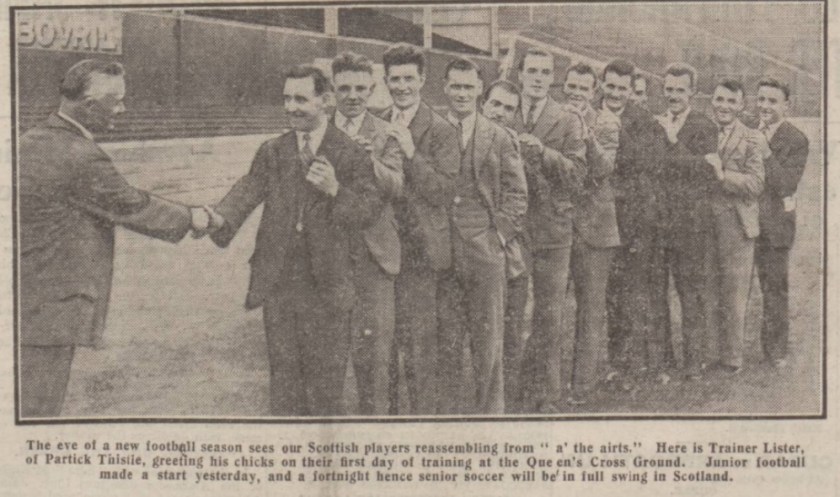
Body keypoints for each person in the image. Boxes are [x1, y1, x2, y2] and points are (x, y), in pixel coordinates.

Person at [19, 60, 207, 417]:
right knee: (38, 409)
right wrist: (195, 217)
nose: (122, 109)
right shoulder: (79, 155)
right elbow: (130, 204)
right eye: (116, 101)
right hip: (48, 309)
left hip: (23, 297)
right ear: (90, 105)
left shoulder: (30, 140)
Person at [206, 65, 382, 416]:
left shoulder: (350, 152)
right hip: (280, 286)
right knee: (284, 385)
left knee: (325, 389)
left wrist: (335, 189)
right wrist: (217, 218)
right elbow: (247, 190)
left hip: (328, 288)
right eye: (287, 98)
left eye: (300, 99)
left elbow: (368, 210)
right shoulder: (273, 150)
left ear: (325, 101)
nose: (290, 107)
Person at [437, 59, 527, 414]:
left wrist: (497, 238)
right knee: (445, 340)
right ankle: (447, 420)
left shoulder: (499, 136)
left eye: (468, 86)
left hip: (485, 252)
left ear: (479, 89)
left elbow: (517, 195)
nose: (461, 93)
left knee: (488, 343)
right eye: (455, 86)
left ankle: (491, 417)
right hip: (443, 251)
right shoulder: (433, 130)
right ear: (445, 87)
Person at [379, 43, 461, 414]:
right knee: (384, 343)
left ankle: (422, 420)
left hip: (420, 251)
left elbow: (444, 191)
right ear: (385, 81)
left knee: (419, 345)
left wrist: (411, 153)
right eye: (394, 79)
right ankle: (389, 419)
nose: (401, 86)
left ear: (423, 80)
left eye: (408, 79)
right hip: (382, 246)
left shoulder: (441, 129)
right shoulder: (377, 120)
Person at [512, 48, 587, 413]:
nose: (538, 78)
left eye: (545, 72)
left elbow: (578, 174)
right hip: (512, 228)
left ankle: (548, 396)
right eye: (532, 71)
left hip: (553, 229)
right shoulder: (504, 110)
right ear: (520, 75)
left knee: (549, 314)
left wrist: (543, 152)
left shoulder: (567, 119)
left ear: (552, 78)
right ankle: (512, 389)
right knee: (511, 312)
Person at [331, 52, 405, 415]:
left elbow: (397, 185)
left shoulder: (385, 132)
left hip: (374, 258)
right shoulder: (317, 130)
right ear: (332, 89)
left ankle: (377, 429)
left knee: (375, 358)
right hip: (328, 255)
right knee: (327, 356)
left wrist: (368, 162)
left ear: (372, 89)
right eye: (344, 88)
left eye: (361, 88)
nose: (353, 96)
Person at [602, 61, 668, 385]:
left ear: (631, 90)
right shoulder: (587, 113)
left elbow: (650, 163)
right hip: (596, 218)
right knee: (606, 295)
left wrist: (616, 132)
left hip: (632, 221)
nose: (615, 93)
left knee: (631, 293)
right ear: (602, 84)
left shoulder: (645, 121)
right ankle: (615, 361)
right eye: (610, 86)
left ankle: (631, 363)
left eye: (622, 88)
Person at [561, 62, 621, 403]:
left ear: (594, 91)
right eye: (571, 86)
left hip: (595, 227)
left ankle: (582, 386)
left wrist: (586, 132)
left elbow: (604, 168)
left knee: (590, 309)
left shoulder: (606, 122)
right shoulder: (554, 116)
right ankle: (543, 382)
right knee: (550, 306)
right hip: (559, 223)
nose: (575, 93)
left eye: (583, 88)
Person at [654, 62, 719, 380]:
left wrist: (672, 141)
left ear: (692, 92)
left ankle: (694, 362)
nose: (673, 95)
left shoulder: (705, 126)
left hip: (690, 227)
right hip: (658, 223)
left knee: (690, 293)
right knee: (656, 294)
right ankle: (664, 359)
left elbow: (706, 172)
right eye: (669, 89)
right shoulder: (656, 122)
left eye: (680, 90)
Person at [704, 79, 764, 374]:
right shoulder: (703, 131)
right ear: (711, 101)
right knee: (709, 289)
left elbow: (756, 184)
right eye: (720, 99)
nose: (724, 106)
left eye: (731, 101)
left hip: (737, 225)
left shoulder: (751, 138)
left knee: (735, 292)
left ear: (741, 105)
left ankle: (732, 358)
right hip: (705, 222)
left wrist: (722, 174)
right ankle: (711, 353)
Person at [481, 79, 530, 412]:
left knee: (509, 332)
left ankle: (508, 406)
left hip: (503, 251)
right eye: (495, 104)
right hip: (468, 249)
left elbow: (517, 198)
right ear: (484, 103)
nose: (499, 112)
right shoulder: (462, 134)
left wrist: (496, 237)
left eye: (508, 108)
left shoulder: (510, 142)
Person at [753, 78, 809, 368]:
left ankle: (775, 351)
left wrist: (765, 152)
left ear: (787, 105)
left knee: (774, 289)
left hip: (774, 227)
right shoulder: (748, 130)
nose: (764, 106)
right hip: (743, 223)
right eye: (761, 99)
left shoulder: (796, 139)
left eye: (772, 101)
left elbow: (786, 185)